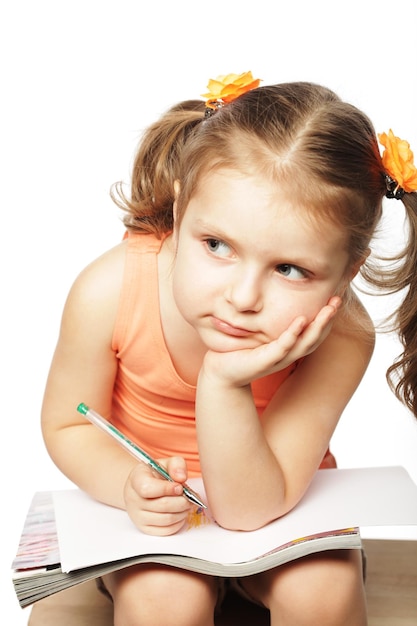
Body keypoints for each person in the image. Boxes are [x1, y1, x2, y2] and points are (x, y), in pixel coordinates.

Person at [40, 72, 416, 626]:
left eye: (290, 269)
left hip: (274, 504)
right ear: (177, 214)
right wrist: (125, 485)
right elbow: (68, 425)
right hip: (157, 517)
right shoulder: (108, 290)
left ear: (345, 275)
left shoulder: (342, 335)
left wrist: (223, 380)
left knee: (322, 593)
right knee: (163, 601)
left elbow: (250, 511)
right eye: (217, 245)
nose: (242, 298)